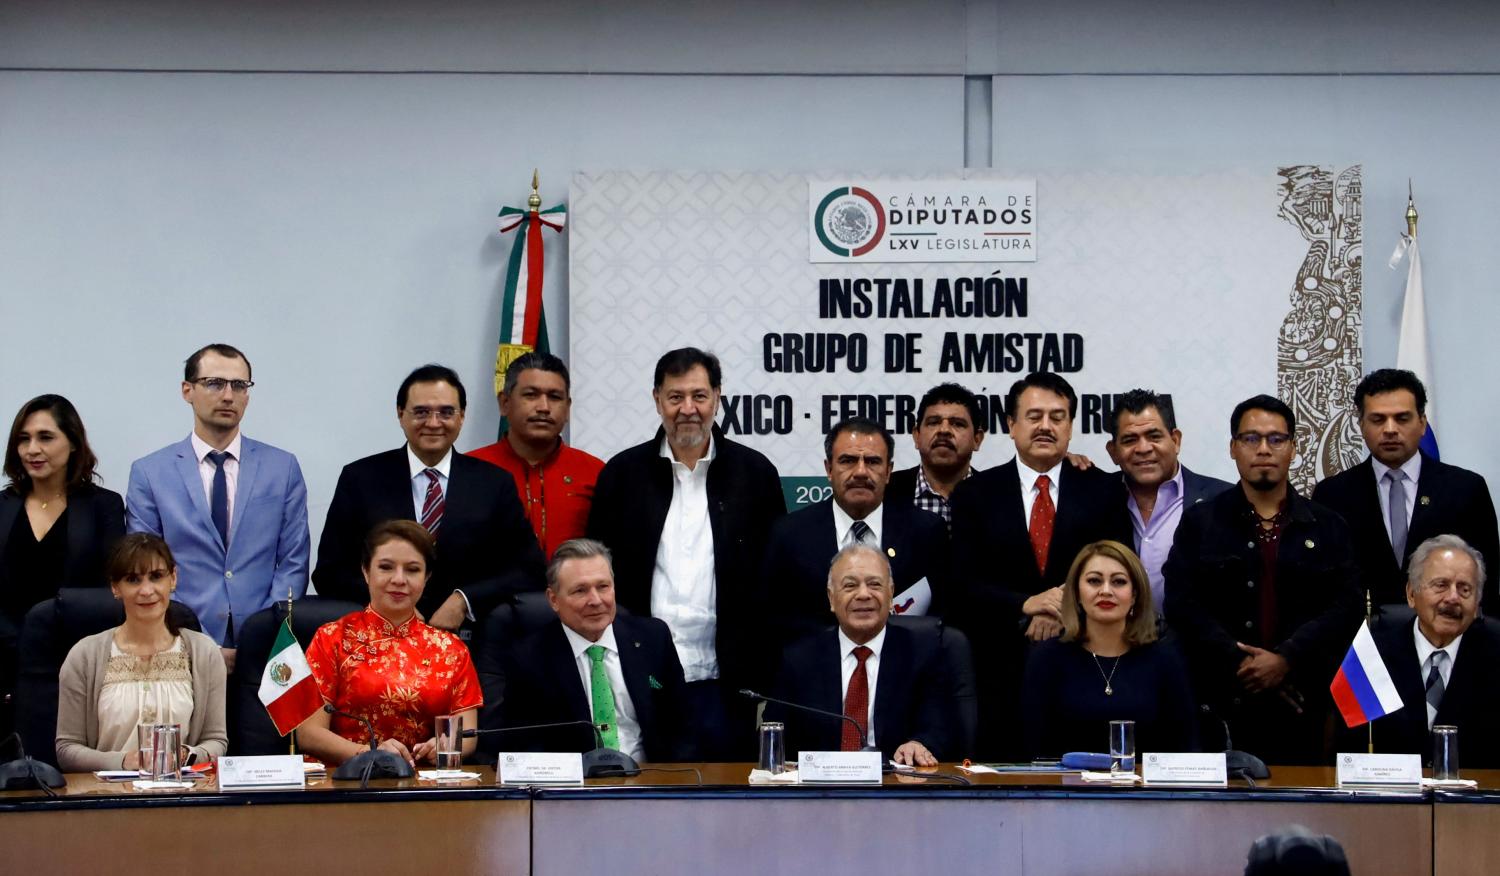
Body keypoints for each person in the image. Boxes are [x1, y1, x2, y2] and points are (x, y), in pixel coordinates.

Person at [587, 347, 785, 760]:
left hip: (726, 681)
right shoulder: (622, 475)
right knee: (645, 798)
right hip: (642, 678)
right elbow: (597, 570)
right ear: (657, 399)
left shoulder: (755, 474)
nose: (688, 409)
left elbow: (773, 577)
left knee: (722, 805)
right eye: (675, 397)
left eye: (699, 395)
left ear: (718, 397)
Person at [1165, 394, 1363, 765]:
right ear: (1233, 448)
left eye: (1276, 439)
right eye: (1251, 438)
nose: (1263, 449)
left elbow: (1346, 606)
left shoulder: (1328, 525)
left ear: (1292, 447)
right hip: (1220, 701)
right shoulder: (1201, 522)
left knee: (1301, 818)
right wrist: (1242, 661)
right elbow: (1181, 601)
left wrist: (1285, 659)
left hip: (1304, 701)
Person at [949, 371, 1130, 758]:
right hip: (998, 672)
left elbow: (1120, 569)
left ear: (1070, 426)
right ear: (1011, 425)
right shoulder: (974, 494)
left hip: (1083, 668)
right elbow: (961, 583)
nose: (1046, 426)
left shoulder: (1104, 489)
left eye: (1057, 416)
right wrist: (1026, 603)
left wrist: (1061, 607)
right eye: (1034, 416)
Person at [313, 364, 545, 644]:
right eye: (421, 412)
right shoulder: (360, 478)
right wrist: (392, 606)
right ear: (400, 414)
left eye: (446, 412)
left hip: (471, 642)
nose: (434, 423)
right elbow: (329, 572)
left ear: (462, 417)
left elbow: (528, 568)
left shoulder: (494, 483)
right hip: (378, 644)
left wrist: (464, 601)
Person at [126, 344, 309, 670]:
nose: (228, 395)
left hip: (266, 648)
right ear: (187, 390)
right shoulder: (150, 472)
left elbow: (293, 562)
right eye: (214, 383)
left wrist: (262, 632)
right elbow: (147, 569)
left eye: (239, 386)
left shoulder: (282, 467)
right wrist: (197, 640)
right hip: (178, 643)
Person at [297, 520, 482, 768]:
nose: (399, 579)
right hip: (347, 783)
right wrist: (371, 754)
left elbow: (467, 736)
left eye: (412, 570)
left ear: (426, 577)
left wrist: (443, 746)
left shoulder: (451, 649)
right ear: (365, 571)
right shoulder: (332, 638)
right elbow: (308, 735)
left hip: (424, 787)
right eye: (385, 567)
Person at [1312, 369, 1500, 609]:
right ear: (1361, 425)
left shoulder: (1465, 490)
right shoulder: (1332, 494)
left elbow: (1487, 583)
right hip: (1361, 639)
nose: (1390, 429)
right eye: (1378, 419)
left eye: (1402, 418)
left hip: (1445, 637)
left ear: (1422, 423)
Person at [495, 538, 689, 762]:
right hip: (576, 789)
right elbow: (525, 746)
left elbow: (683, 729)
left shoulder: (653, 638)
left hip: (651, 781)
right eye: (580, 590)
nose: (595, 600)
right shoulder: (529, 658)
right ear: (554, 599)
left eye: (603, 587)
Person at [764, 416, 948, 647]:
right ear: (829, 469)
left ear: (889, 471)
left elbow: (940, 621)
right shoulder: (790, 535)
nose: (860, 472)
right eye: (848, 461)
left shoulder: (926, 532)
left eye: (872, 461)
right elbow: (773, 624)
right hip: (816, 675)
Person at [55, 533, 227, 771]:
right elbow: (67, 749)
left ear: (173, 578)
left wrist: (187, 755)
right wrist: (125, 761)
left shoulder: (204, 652)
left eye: (156, 577)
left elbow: (217, 741)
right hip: (106, 798)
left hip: (182, 796)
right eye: (133, 579)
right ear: (116, 587)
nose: (146, 590)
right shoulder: (84, 656)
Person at [768, 544, 952, 766]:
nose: (864, 594)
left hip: (896, 790)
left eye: (875, 584)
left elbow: (940, 726)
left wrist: (919, 743)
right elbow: (774, 736)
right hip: (819, 793)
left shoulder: (922, 652)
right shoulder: (799, 659)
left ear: (891, 593)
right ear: (831, 598)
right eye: (850, 585)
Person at [1021, 540, 1196, 759]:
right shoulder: (1047, 658)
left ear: (1134, 595)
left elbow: (1184, 747)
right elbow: (1032, 748)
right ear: (1076, 593)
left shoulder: (1164, 659)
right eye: (1094, 581)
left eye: (1119, 582)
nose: (1106, 591)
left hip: (1144, 791)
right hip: (1066, 789)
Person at [1344, 535, 1500, 766]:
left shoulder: (1495, 653)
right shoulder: (1370, 655)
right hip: (1389, 799)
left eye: (1465, 589)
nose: (1453, 598)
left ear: (1477, 603)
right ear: (1411, 594)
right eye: (1441, 585)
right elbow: (1346, 751)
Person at [1104, 389, 1232, 614]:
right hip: (1115, 643)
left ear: (1175, 440)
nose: (1143, 448)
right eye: (1130, 440)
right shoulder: (1095, 495)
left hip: (1196, 645)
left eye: (1154, 436)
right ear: (1113, 451)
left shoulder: (1223, 500)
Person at [468, 352, 605, 559]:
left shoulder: (596, 473)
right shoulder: (469, 469)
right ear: (504, 403)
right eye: (531, 395)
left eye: (554, 397)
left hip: (573, 590)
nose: (544, 407)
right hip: (492, 591)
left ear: (567, 408)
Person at [1, 395, 125, 623]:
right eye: (23, 439)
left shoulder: (104, 506)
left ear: (73, 442)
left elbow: (112, 589)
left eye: (45, 438)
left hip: (75, 645)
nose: (32, 449)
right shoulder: (4, 505)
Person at [887, 383, 986, 527]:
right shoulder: (886, 492)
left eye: (957, 424)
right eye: (933, 422)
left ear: (977, 439)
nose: (944, 430)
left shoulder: (998, 498)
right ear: (916, 436)